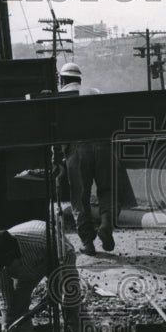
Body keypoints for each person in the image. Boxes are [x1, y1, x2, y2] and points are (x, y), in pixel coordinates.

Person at [0, 221, 81, 332]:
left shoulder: (43, 240)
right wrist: (7, 319)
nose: (5, 271)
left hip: (56, 259)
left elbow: (68, 253)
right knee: (16, 310)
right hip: (28, 270)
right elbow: (4, 290)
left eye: (7, 266)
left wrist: (57, 285)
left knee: (71, 303)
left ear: (16, 256)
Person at [58, 62, 114, 256]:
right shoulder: (95, 92)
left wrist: (58, 158)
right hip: (103, 145)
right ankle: (106, 223)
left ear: (62, 79)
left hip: (78, 149)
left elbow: (57, 130)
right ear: (80, 79)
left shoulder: (62, 97)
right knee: (106, 189)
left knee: (80, 197)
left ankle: (87, 243)